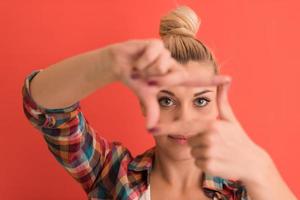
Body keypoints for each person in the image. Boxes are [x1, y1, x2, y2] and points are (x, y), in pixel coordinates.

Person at [22, 6, 297, 200]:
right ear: (144, 104)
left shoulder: (245, 193)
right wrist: (110, 62)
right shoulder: (112, 175)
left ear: (217, 107)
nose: (184, 118)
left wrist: (261, 168)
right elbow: (44, 109)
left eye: (201, 101)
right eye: (167, 100)